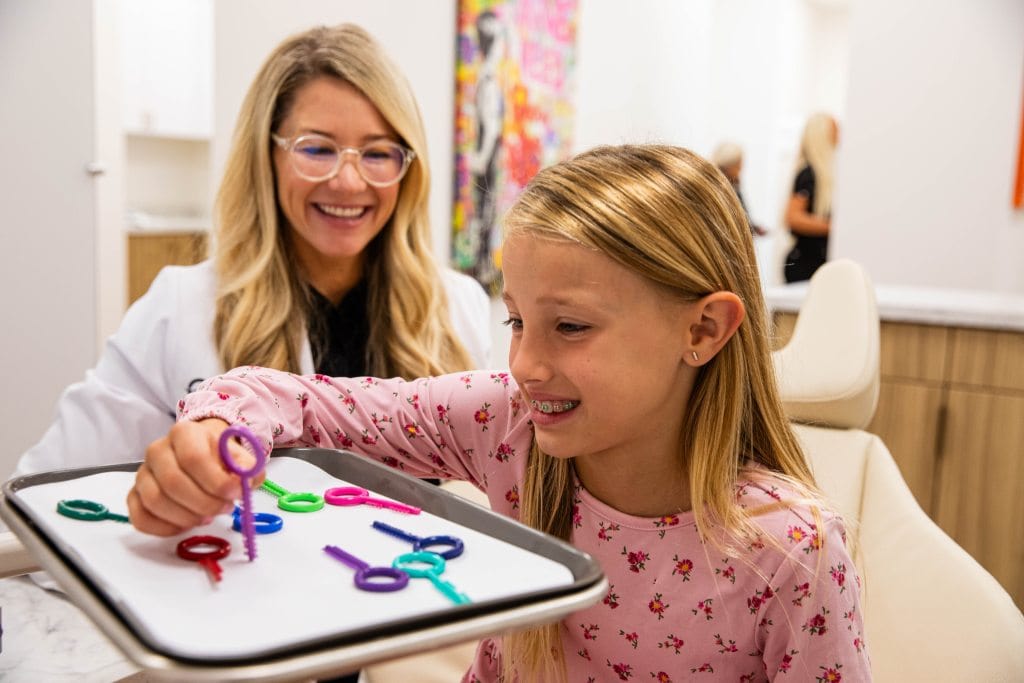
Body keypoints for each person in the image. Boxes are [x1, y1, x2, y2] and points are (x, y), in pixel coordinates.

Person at [130, 145, 871, 681]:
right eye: (516, 321)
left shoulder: (792, 549)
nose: (524, 365)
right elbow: (303, 401)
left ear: (703, 330)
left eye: (570, 326)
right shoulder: (504, 422)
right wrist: (213, 428)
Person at [12, 24, 491, 480]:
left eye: (378, 153)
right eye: (317, 149)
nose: (349, 181)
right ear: (267, 157)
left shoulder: (457, 308)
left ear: (409, 168)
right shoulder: (181, 308)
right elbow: (47, 498)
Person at [783, 112, 838, 283]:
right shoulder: (808, 174)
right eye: (835, 131)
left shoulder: (823, 175)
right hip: (804, 264)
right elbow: (793, 218)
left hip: (816, 262)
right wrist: (832, 226)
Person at [711, 141, 767, 236]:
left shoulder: (733, 184)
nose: (741, 168)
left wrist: (753, 227)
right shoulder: (721, 187)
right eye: (739, 164)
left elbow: (741, 215)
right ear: (730, 164)